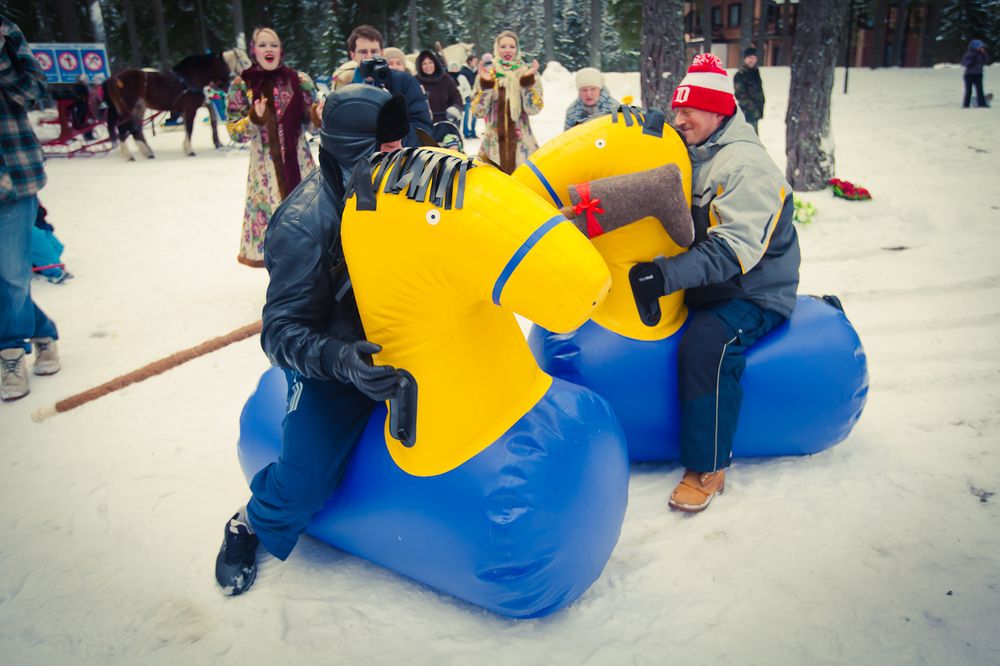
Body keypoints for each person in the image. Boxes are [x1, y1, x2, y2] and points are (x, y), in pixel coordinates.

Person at [214, 84, 412, 596]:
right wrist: (342, 360)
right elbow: (281, 333)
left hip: (408, 335)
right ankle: (252, 521)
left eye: (399, 141)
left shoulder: (396, 179)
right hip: (335, 360)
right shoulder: (303, 225)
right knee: (305, 482)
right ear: (349, 146)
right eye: (383, 145)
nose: (399, 152)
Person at [627, 53, 800, 513]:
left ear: (719, 112)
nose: (679, 120)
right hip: (712, 281)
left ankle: (708, 466)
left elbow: (732, 251)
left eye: (689, 112)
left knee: (708, 344)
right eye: (676, 111)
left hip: (754, 288)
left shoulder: (746, 166)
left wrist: (665, 276)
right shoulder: (696, 150)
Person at [1, 16, 61, 402]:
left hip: (11, 178)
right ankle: (43, 331)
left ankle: (9, 352)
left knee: (11, 273)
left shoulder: (8, 35)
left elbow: (34, 94)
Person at [226, 27, 318, 267]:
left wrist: (318, 116)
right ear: (253, 50)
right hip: (265, 172)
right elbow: (234, 132)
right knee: (275, 227)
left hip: (300, 165)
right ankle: (282, 283)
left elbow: (313, 127)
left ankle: (311, 280)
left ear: (281, 50)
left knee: (307, 222)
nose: (269, 49)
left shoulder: (299, 81)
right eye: (263, 44)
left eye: (273, 45)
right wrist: (254, 119)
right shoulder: (242, 84)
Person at [334, 25, 431, 148]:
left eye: (374, 51)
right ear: (353, 55)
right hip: (363, 161)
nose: (369, 56)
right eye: (363, 52)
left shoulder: (405, 81)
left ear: (382, 53)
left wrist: (395, 143)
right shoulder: (347, 90)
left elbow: (422, 126)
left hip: (400, 159)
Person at [470, 30, 543, 174]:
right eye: (503, 46)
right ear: (496, 49)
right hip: (493, 149)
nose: (507, 50)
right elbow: (478, 112)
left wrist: (526, 84)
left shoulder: (527, 73)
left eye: (512, 46)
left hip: (522, 148)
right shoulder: (487, 74)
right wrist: (486, 87)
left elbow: (534, 109)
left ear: (517, 49)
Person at [415, 50, 463, 125]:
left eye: (430, 62)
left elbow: (456, 97)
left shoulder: (445, 78)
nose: (428, 66)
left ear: (435, 63)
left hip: (447, 122)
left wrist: (455, 109)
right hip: (425, 124)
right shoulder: (415, 81)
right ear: (420, 66)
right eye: (424, 64)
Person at [733, 47, 765, 134]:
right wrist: (753, 108)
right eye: (749, 57)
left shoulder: (755, 73)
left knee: (753, 137)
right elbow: (740, 95)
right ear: (745, 59)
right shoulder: (740, 75)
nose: (752, 60)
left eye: (754, 57)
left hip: (755, 113)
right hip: (746, 113)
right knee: (748, 137)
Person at [961, 39, 990, 108]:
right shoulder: (969, 53)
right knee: (969, 91)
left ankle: (982, 104)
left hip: (979, 74)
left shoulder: (981, 53)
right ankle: (966, 105)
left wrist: (984, 53)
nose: (981, 48)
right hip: (969, 75)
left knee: (980, 90)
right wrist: (971, 60)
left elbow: (986, 60)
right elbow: (964, 63)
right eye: (980, 46)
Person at [459, 54, 478, 139]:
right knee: (466, 115)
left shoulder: (476, 71)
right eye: (474, 61)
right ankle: (466, 132)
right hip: (468, 96)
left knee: (475, 115)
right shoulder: (463, 72)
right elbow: (462, 86)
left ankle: (473, 131)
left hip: (476, 96)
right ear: (470, 62)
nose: (476, 63)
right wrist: (466, 96)